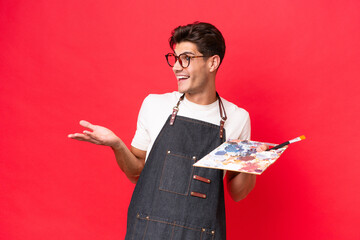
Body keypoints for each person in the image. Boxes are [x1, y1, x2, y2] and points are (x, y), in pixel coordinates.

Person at [68, 22, 259, 239]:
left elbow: (238, 193)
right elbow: (136, 173)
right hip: (148, 231)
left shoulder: (237, 118)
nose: (176, 67)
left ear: (212, 62)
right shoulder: (155, 105)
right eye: (175, 58)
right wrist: (116, 144)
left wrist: (253, 162)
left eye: (186, 58)